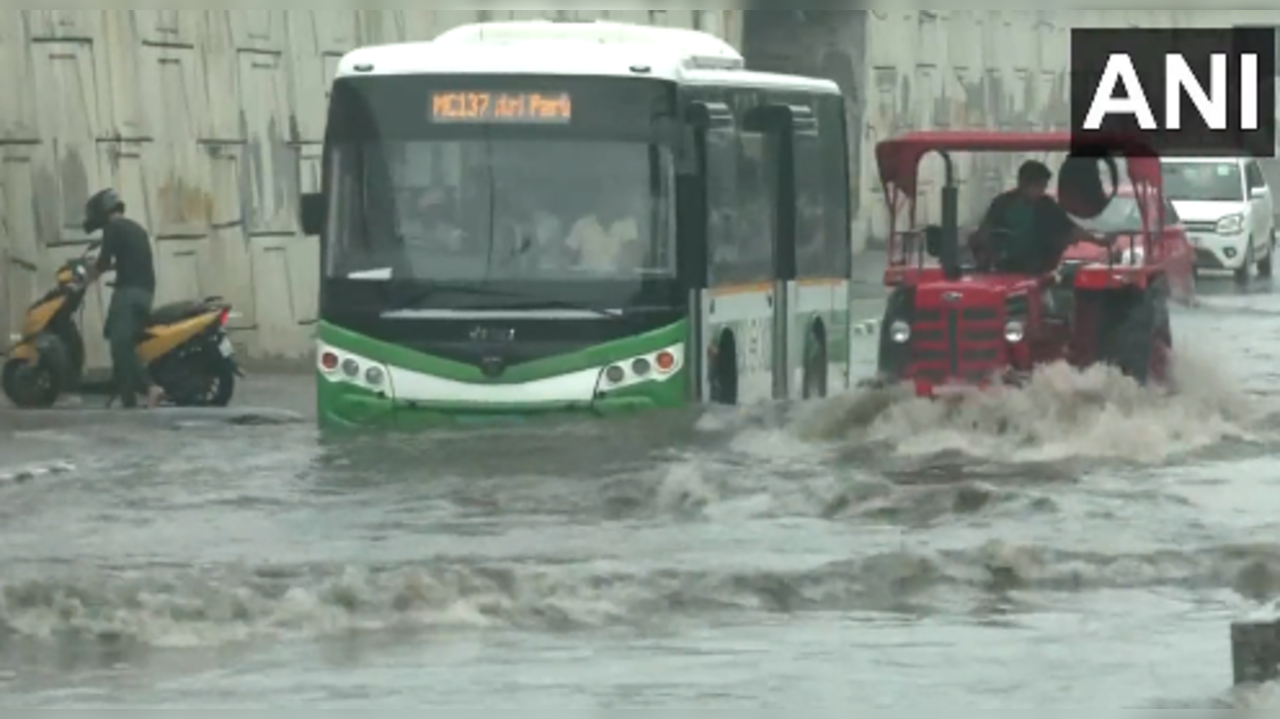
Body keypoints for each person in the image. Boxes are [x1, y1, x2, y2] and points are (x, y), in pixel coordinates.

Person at [82, 189, 163, 409]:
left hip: (128, 293)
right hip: (145, 293)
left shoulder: (112, 228)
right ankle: (127, 397)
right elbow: (131, 259)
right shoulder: (136, 228)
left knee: (121, 345)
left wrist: (85, 279)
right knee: (117, 335)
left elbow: (103, 261)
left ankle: (149, 387)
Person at [973, 160, 1114, 274]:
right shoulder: (1002, 204)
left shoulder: (1046, 206)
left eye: (1043, 186)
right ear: (1024, 183)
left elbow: (1070, 230)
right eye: (1039, 186)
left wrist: (1097, 240)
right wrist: (985, 256)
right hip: (1004, 271)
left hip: (1038, 272)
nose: (1041, 190)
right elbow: (985, 232)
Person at [563, 191, 640, 273]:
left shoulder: (627, 223)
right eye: (604, 203)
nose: (607, 207)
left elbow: (632, 251)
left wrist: (627, 262)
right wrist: (565, 261)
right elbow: (568, 253)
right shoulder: (582, 224)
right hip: (587, 280)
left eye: (611, 203)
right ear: (597, 205)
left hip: (617, 280)